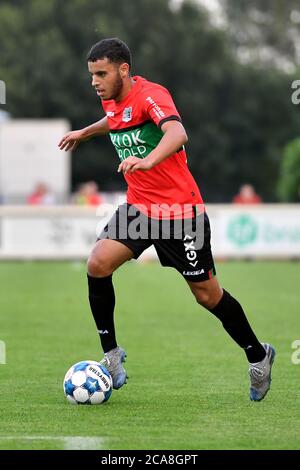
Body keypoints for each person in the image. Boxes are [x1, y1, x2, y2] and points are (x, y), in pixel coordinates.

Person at [59, 38, 275, 401]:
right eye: (92, 75)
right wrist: (85, 132)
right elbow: (114, 120)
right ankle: (111, 356)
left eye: (101, 73)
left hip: (180, 214)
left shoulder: (151, 95)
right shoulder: (111, 100)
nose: (95, 81)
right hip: (140, 209)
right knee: (98, 263)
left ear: (123, 69)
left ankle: (258, 356)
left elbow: (177, 132)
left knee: (207, 296)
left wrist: (148, 160)